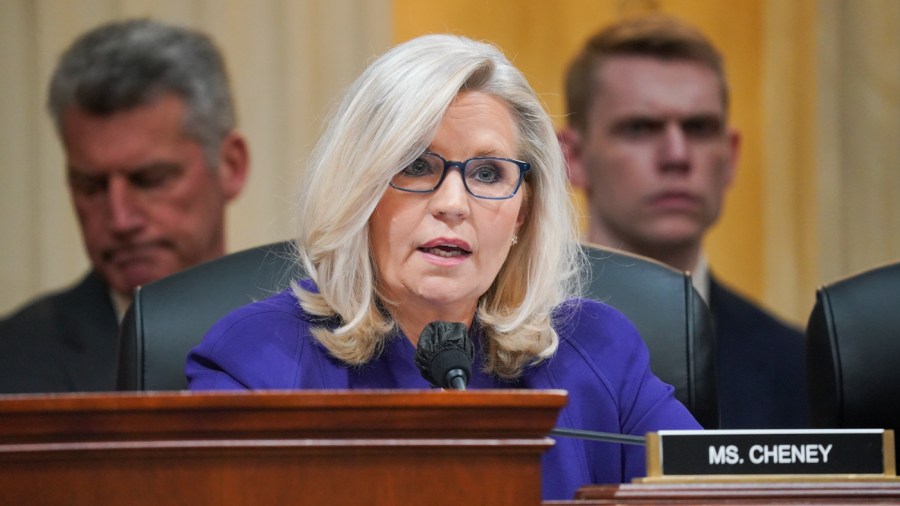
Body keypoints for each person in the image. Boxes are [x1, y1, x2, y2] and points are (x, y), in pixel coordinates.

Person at [186, 34, 700, 500]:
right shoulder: (255, 364)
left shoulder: (601, 353)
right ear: (359, 192)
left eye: (488, 172)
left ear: (524, 211)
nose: (453, 203)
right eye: (416, 166)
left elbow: (718, 488)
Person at [558, 15, 807, 428]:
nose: (677, 155)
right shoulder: (497, 345)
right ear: (574, 158)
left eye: (699, 128)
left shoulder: (799, 366)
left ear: (730, 156)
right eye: (640, 128)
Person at [0, 19, 249, 393]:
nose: (120, 219)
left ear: (230, 166)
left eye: (150, 180)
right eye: (91, 186)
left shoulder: (316, 342)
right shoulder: (14, 359)